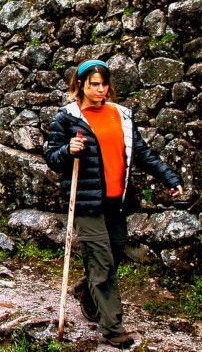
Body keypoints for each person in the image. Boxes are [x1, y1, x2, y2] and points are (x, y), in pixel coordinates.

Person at [44, 59, 184, 348]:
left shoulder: (121, 115)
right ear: (80, 85)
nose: (100, 89)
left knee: (115, 252)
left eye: (104, 84)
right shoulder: (67, 118)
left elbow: (142, 153)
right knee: (102, 260)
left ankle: (87, 293)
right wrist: (67, 150)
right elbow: (52, 158)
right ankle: (112, 328)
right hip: (86, 203)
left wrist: (169, 177)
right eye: (94, 84)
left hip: (116, 200)